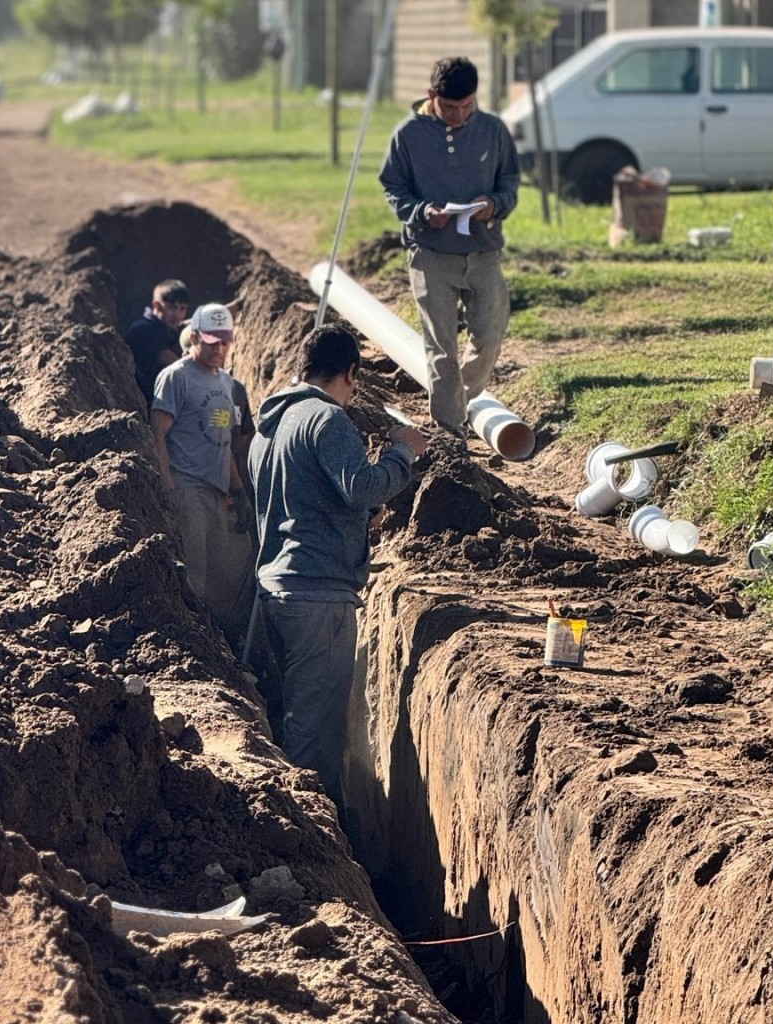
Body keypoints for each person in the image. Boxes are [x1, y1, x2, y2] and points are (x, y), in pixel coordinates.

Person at [248, 325, 427, 810]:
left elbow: (308, 497)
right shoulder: (326, 420)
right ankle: (309, 848)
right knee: (315, 735)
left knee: (294, 718)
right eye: (355, 382)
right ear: (350, 373)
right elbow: (362, 487)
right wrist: (402, 452)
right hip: (317, 597)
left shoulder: (271, 425)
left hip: (275, 591)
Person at [379, 56, 519, 443]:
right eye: (450, 107)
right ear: (431, 96)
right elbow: (393, 188)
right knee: (442, 347)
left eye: (467, 106)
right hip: (430, 253)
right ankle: (449, 433)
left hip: (483, 252)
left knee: (489, 337)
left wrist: (494, 204)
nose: (459, 116)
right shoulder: (408, 135)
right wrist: (422, 212)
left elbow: (509, 182)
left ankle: (462, 400)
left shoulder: (493, 131)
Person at [151, 303, 251, 624]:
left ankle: (220, 646)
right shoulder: (175, 378)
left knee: (222, 577)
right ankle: (194, 634)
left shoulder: (228, 385)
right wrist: (168, 484)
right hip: (188, 487)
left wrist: (239, 491)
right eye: (211, 342)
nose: (219, 349)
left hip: (218, 493)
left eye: (224, 342)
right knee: (194, 573)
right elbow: (157, 435)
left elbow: (225, 446)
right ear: (193, 337)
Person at [125, 279, 191, 406]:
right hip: (145, 401)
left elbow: (196, 321)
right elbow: (176, 364)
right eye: (172, 307)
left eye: (182, 309)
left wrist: (237, 306)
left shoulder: (165, 325)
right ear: (157, 305)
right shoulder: (143, 329)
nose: (177, 314)